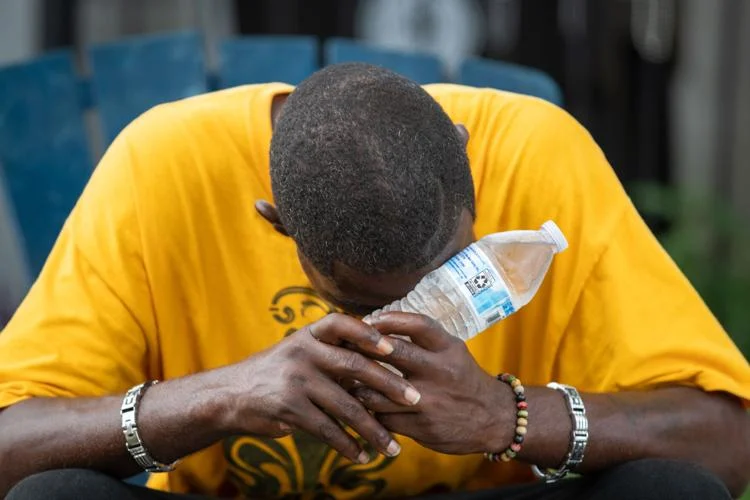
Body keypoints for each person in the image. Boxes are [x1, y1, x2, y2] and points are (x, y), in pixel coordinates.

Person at [0, 63, 748, 500]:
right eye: (363, 304)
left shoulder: (535, 150)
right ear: (274, 221)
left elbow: (729, 438)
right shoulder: (164, 164)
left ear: (467, 162)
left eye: (454, 274)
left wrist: (504, 416)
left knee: (669, 494)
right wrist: (219, 397)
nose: (412, 318)